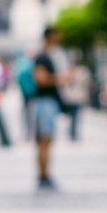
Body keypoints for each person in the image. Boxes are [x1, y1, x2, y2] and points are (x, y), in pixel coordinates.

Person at [29, 26, 64, 191]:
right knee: (44, 140)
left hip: (45, 102)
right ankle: (44, 176)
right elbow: (40, 79)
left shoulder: (47, 55)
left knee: (45, 141)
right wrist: (61, 79)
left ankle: (44, 175)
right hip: (44, 102)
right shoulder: (43, 57)